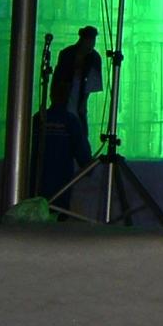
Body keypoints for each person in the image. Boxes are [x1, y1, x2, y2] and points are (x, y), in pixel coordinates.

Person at [37, 76, 93, 217]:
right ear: (69, 96)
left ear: (51, 94)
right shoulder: (71, 122)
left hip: (34, 193)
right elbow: (85, 159)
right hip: (60, 194)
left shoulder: (38, 119)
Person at [52, 26, 103, 140]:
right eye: (90, 41)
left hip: (78, 103)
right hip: (63, 100)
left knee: (79, 132)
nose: (92, 45)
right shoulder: (67, 54)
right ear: (83, 40)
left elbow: (91, 85)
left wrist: (83, 102)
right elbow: (58, 80)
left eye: (93, 41)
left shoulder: (94, 58)